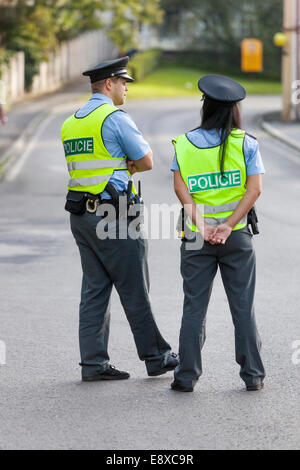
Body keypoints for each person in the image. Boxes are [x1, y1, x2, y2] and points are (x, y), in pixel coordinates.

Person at [60, 56, 178, 382]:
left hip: (81, 217)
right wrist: (128, 164)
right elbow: (147, 160)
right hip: (113, 215)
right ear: (109, 83)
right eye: (123, 82)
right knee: (135, 287)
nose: (127, 87)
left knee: (94, 290)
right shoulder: (114, 118)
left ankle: (93, 364)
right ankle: (158, 357)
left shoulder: (71, 122)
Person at [171, 74, 265, 393]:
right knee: (243, 308)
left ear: (205, 108)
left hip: (196, 237)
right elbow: (254, 190)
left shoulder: (183, 145)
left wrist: (204, 226)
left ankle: (185, 377)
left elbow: (182, 191)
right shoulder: (247, 143)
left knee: (194, 308)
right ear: (234, 111)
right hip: (236, 236)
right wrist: (227, 225)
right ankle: (253, 375)